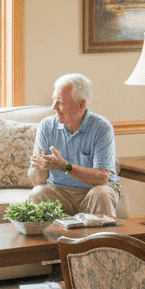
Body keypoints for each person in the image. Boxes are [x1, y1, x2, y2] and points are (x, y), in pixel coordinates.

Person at [27, 73, 120, 217]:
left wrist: (66, 167)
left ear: (81, 104)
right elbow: (38, 181)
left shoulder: (101, 128)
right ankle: (44, 240)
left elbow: (102, 178)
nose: (53, 107)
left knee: (101, 194)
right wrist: (37, 167)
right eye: (54, 100)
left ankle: (103, 240)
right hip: (59, 190)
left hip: (94, 189)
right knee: (38, 193)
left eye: (60, 102)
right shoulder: (46, 126)